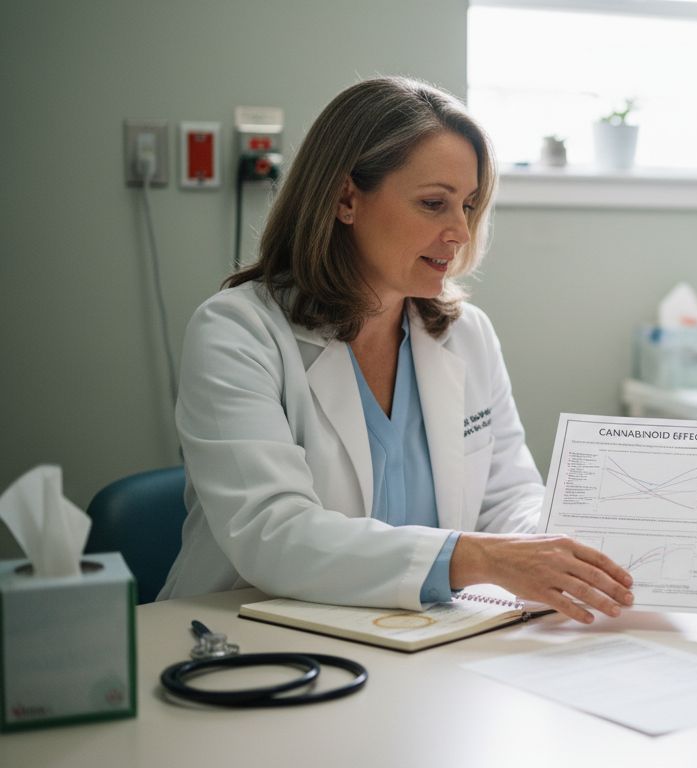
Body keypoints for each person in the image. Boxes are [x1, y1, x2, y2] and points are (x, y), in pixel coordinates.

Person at [161, 76, 634, 625]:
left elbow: (508, 499)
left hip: (419, 642)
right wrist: (479, 557)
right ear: (345, 199)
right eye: (434, 203)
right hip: (251, 640)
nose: (459, 231)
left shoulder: (465, 336)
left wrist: (576, 548)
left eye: (469, 204)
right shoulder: (239, 331)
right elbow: (274, 533)